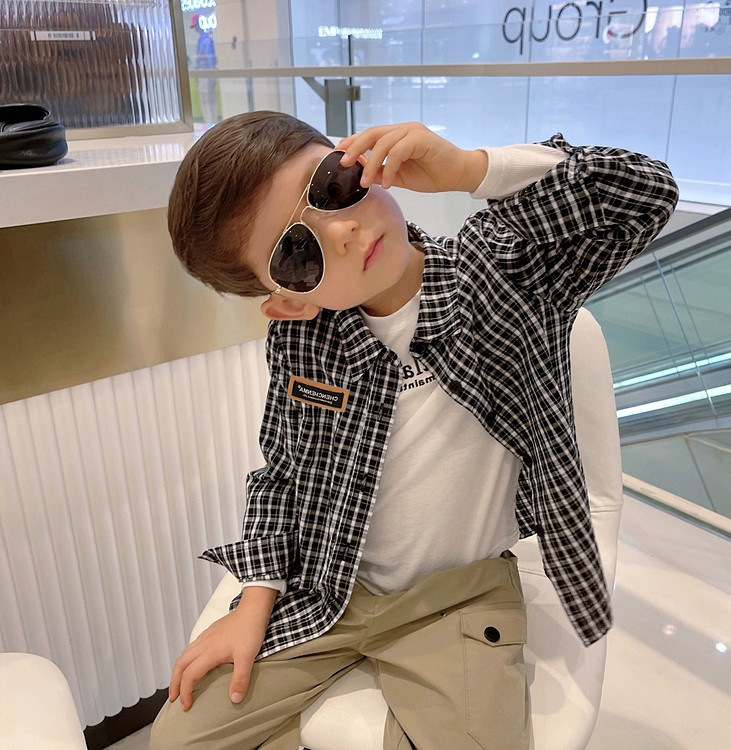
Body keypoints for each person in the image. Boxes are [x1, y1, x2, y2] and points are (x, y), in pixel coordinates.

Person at [150, 112, 679, 749]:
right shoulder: (303, 341)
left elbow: (646, 192)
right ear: (290, 301)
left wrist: (469, 169)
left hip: (457, 598)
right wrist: (256, 599)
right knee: (179, 739)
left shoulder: (503, 276)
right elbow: (284, 472)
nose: (343, 229)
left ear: (360, 161)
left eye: (333, 185)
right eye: (298, 251)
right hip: (330, 584)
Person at [191, 13, 217, 124]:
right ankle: (208, 123)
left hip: (207, 75)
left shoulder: (207, 41)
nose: (195, 29)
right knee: (204, 100)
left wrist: (212, 76)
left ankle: (211, 123)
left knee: (208, 100)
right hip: (202, 75)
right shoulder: (201, 40)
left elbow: (210, 61)